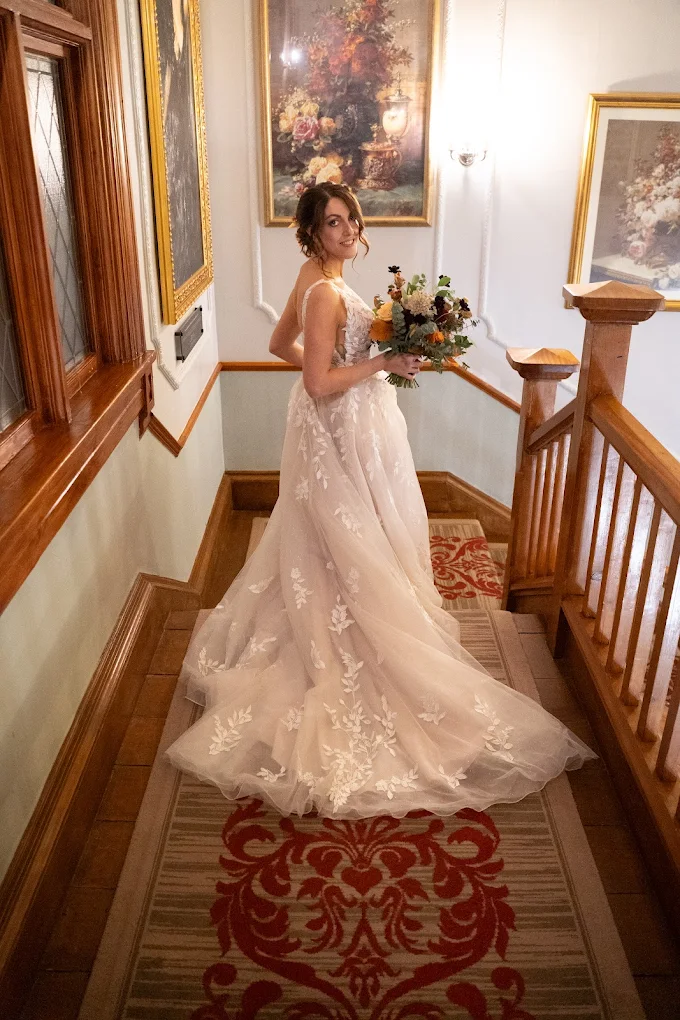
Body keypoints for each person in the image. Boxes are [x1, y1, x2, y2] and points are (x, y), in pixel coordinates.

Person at [165, 182, 595, 817]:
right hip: (339, 427)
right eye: (333, 223)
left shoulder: (317, 278)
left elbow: (281, 346)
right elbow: (318, 384)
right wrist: (379, 364)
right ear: (312, 232)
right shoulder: (323, 290)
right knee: (350, 540)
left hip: (346, 426)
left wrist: (360, 364)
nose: (348, 231)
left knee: (338, 539)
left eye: (351, 220)